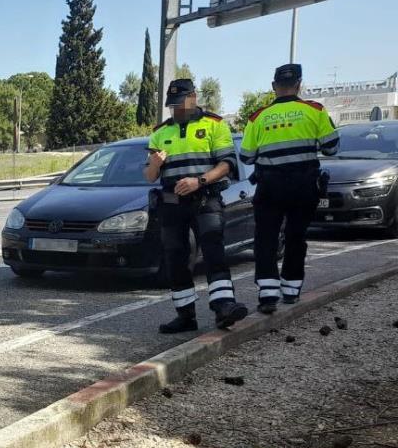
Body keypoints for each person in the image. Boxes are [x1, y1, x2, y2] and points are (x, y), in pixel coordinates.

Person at [144, 78, 249, 334]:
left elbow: (227, 165)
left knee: (213, 252)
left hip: (205, 199)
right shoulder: (160, 132)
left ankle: (224, 308)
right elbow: (149, 176)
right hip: (172, 204)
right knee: (176, 258)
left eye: (181, 104)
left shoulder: (214, 125)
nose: (177, 110)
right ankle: (185, 316)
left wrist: (199, 181)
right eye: (173, 106)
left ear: (193, 97)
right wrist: (156, 164)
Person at [240, 64, 340, 313]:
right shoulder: (314, 111)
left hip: (270, 186)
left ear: (274, 87)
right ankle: (292, 291)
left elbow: (246, 157)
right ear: (299, 85)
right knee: (296, 237)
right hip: (304, 186)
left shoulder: (258, 117)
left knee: (266, 239)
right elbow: (331, 147)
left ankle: (268, 295)